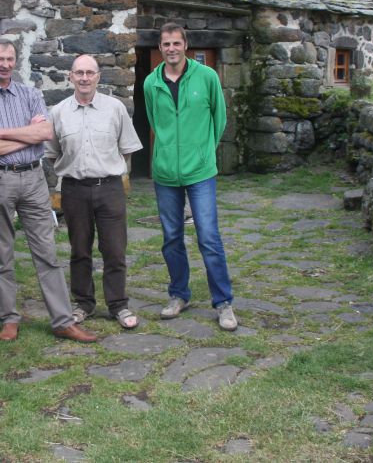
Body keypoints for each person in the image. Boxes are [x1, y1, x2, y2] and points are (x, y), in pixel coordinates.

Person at [0, 38, 97, 343]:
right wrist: (26, 136)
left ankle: (62, 320)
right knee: (2, 252)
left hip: (33, 179)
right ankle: (9, 318)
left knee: (47, 252)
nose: (5, 64)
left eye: (10, 59)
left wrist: (2, 133)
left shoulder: (31, 95)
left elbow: (45, 133)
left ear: (15, 61)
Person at [143, 22, 238, 331]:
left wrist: (203, 152)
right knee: (172, 238)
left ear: (185, 45)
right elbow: (154, 122)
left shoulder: (206, 77)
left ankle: (223, 302)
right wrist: (167, 153)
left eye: (176, 43)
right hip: (166, 172)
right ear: (160, 48)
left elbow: (219, 118)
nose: (171, 49)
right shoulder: (150, 84)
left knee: (208, 236)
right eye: (165, 44)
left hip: (200, 172)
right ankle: (178, 295)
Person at [45, 55, 144, 330]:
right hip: (75, 190)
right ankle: (84, 303)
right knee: (79, 250)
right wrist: (77, 171)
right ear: (70, 77)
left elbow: (127, 149)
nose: (84, 78)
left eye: (90, 73)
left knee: (114, 249)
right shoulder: (59, 112)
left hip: (110, 188)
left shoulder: (114, 109)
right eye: (79, 73)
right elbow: (53, 154)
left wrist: (105, 170)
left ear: (99, 76)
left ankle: (118, 305)